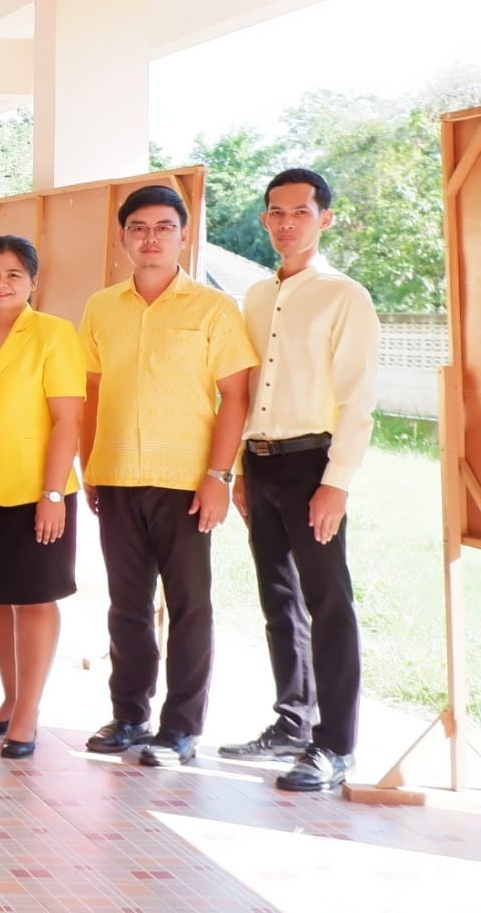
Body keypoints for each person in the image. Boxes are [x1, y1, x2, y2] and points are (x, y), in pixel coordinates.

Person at [80, 185, 256, 767]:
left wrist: (218, 476)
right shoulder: (101, 307)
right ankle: (129, 714)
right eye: (138, 228)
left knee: (189, 605)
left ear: (184, 234)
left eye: (162, 227)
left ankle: (180, 728)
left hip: (186, 480)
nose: (149, 238)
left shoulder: (213, 309)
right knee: (125, 604)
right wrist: (89, 466)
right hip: (117, 475)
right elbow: (92, 389)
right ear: (123, 236)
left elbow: (235, 396)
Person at [219, 169, 378, 791]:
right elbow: (244, 388)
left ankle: (336, 745)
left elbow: (358, 398)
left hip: (315, 463)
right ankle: (292, 722)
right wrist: (237, 469)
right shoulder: (255, 298)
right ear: (265, 220)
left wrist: (336, 482)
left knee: (327, 602)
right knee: (278, 600)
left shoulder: (346, 296)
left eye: (301, 212)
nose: (287, 223)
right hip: (259, 464)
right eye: (276, 213)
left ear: (324, 219)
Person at [0, 235, 84, 759]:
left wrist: (53, 493)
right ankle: (10, 699)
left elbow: (68, 420)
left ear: (33, 282)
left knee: (35, 598)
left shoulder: (54, 334)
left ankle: (29, 711)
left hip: (39, 488)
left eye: (14, 274)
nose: (1, 283)